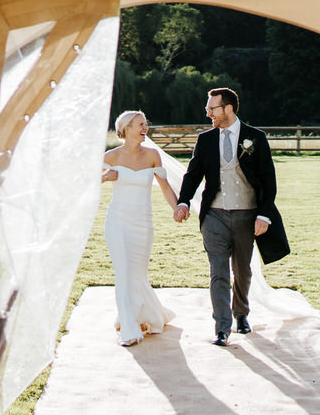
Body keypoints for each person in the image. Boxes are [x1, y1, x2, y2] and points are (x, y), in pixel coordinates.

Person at [173, 87, 289, 345]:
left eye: (211, 108)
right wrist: (183, 202)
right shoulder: (205, 140)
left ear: (228, 108)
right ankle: (222, 328)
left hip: (247, 216)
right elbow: (193, 175)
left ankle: (241, 314)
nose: (207, 113)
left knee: (242, 270)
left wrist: (264, 216)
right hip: (214, 215)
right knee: (218, 271)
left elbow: (269, 181)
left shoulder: (255, 137)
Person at [102, 110, 179, 346]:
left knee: (137, 274)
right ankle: (128, 328)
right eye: (139, 124)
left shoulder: (153, 155)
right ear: (126, 129)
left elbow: (164, 186)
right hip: (117, 221)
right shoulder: (110, 156)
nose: (145, 128)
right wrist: (106, 177)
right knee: (123, 273)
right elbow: (86, 184)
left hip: (143, 223)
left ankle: (148, 315)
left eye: (145, 124)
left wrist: (177, 208)